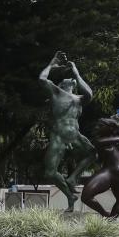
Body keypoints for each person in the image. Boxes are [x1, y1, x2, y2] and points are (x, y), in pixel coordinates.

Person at [39, 51, 98, 209]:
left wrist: (76, 72)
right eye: (69, 78)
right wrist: (52, 64)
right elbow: (42, 79)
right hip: (58, 136)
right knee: (49, 173)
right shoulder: (57, 93)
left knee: (93, 153)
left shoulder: (78, 99)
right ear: (62, 84)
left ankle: (72, 178)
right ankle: (70, 196)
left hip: (75, 135)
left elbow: (89, 93)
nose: (70, 79)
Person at [79, 116, 119, 218]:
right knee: (86, 196)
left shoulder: (117, 138)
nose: (98, 127)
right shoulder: (99, 141)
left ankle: (110, 222)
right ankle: (105, 214)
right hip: (108, 172)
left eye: (101, 126)